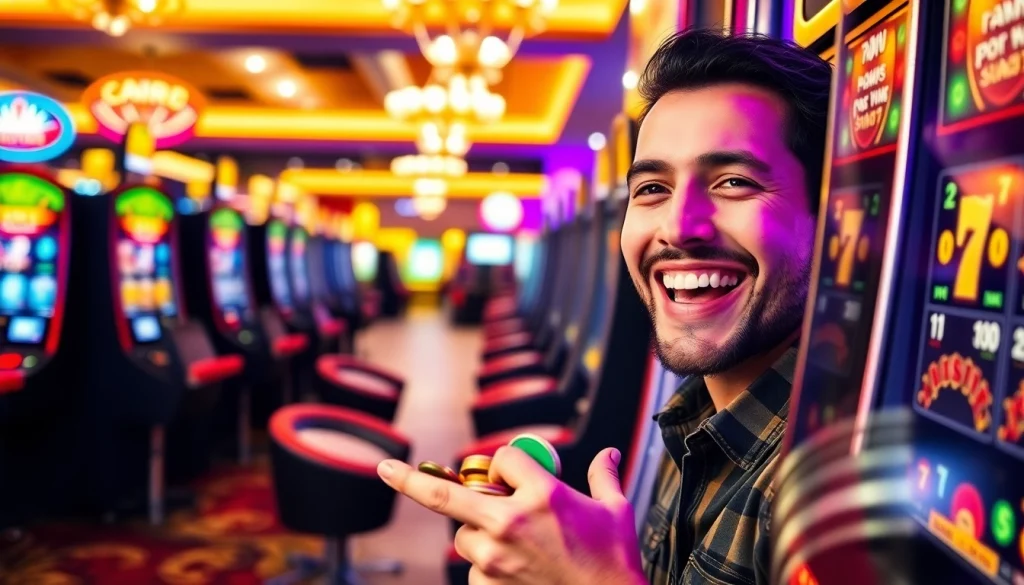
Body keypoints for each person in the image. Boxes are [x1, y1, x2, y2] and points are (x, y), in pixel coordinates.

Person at [375, 28, 832, 584]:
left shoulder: (829, 492)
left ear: (833, 214)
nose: (679, 227)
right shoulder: (693, 417)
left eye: (733, 182)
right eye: (651, 189)